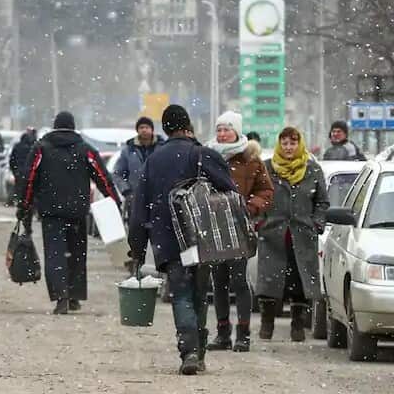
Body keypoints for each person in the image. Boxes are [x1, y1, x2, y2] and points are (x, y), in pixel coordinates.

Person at [127, 105, 238, 375]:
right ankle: (197, 351)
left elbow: (140, 207)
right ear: (188, 125)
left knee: (181, 294)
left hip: (167, 239)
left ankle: (188, 349)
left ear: (164, 129)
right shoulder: (204, 155)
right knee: (200, 293)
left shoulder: (153, 160)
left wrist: (137, 248)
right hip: (200, 237)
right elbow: (230, 189)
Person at [18, 111, 120, 315]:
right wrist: (113, 199)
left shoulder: (41, 148)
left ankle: (60, 296)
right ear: (73, 127)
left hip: (50, 211)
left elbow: (29, 178)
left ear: (55, 126)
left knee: (55, 254)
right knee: (76, 254)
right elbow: (101, 175)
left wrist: (24, 205)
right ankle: (74, 295)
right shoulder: (85, 149)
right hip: (77, 211)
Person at [204, 111, 273, 353]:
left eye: (227, 129)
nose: (222, 134)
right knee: (218, 281)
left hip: (240, 227)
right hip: (213, 228)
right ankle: (222, 333)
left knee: (239, 280)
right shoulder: (207, 156)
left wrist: (250, 206)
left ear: (237, 131)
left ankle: (243, 334)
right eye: (219, 129)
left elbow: (266, 191)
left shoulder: (251, 160)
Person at [256, 126, 330, 342]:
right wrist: (259, 221)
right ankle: (266, 324)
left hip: (302, 235)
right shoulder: (268, 168)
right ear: (280, 144)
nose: (289, 148)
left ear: (299, 144)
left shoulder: (312, 169)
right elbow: (256, 196)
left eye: (293, 143)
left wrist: (317, 222)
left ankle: (298, 325)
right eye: (285, 143)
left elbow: (322, 202)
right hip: (273, 235)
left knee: (300, 281)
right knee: (270, 283)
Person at [114, 116, 164, 202]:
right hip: (135, 198)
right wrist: (127, 191)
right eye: (141, 127)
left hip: (159, 198)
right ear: (137, 130)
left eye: (147, 127)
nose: (144, 130)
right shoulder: (128, 150)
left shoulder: (162, 148)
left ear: (152, 129)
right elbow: (118, 174)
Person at [7, 128, 38, 205]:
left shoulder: (17, 146)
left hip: (18, 170)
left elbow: (12, 159)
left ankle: (18, 200)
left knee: (18, 186)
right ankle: (25, 202)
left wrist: (13, 169)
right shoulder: (32, 147)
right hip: (28, 170)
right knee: (28, 187)